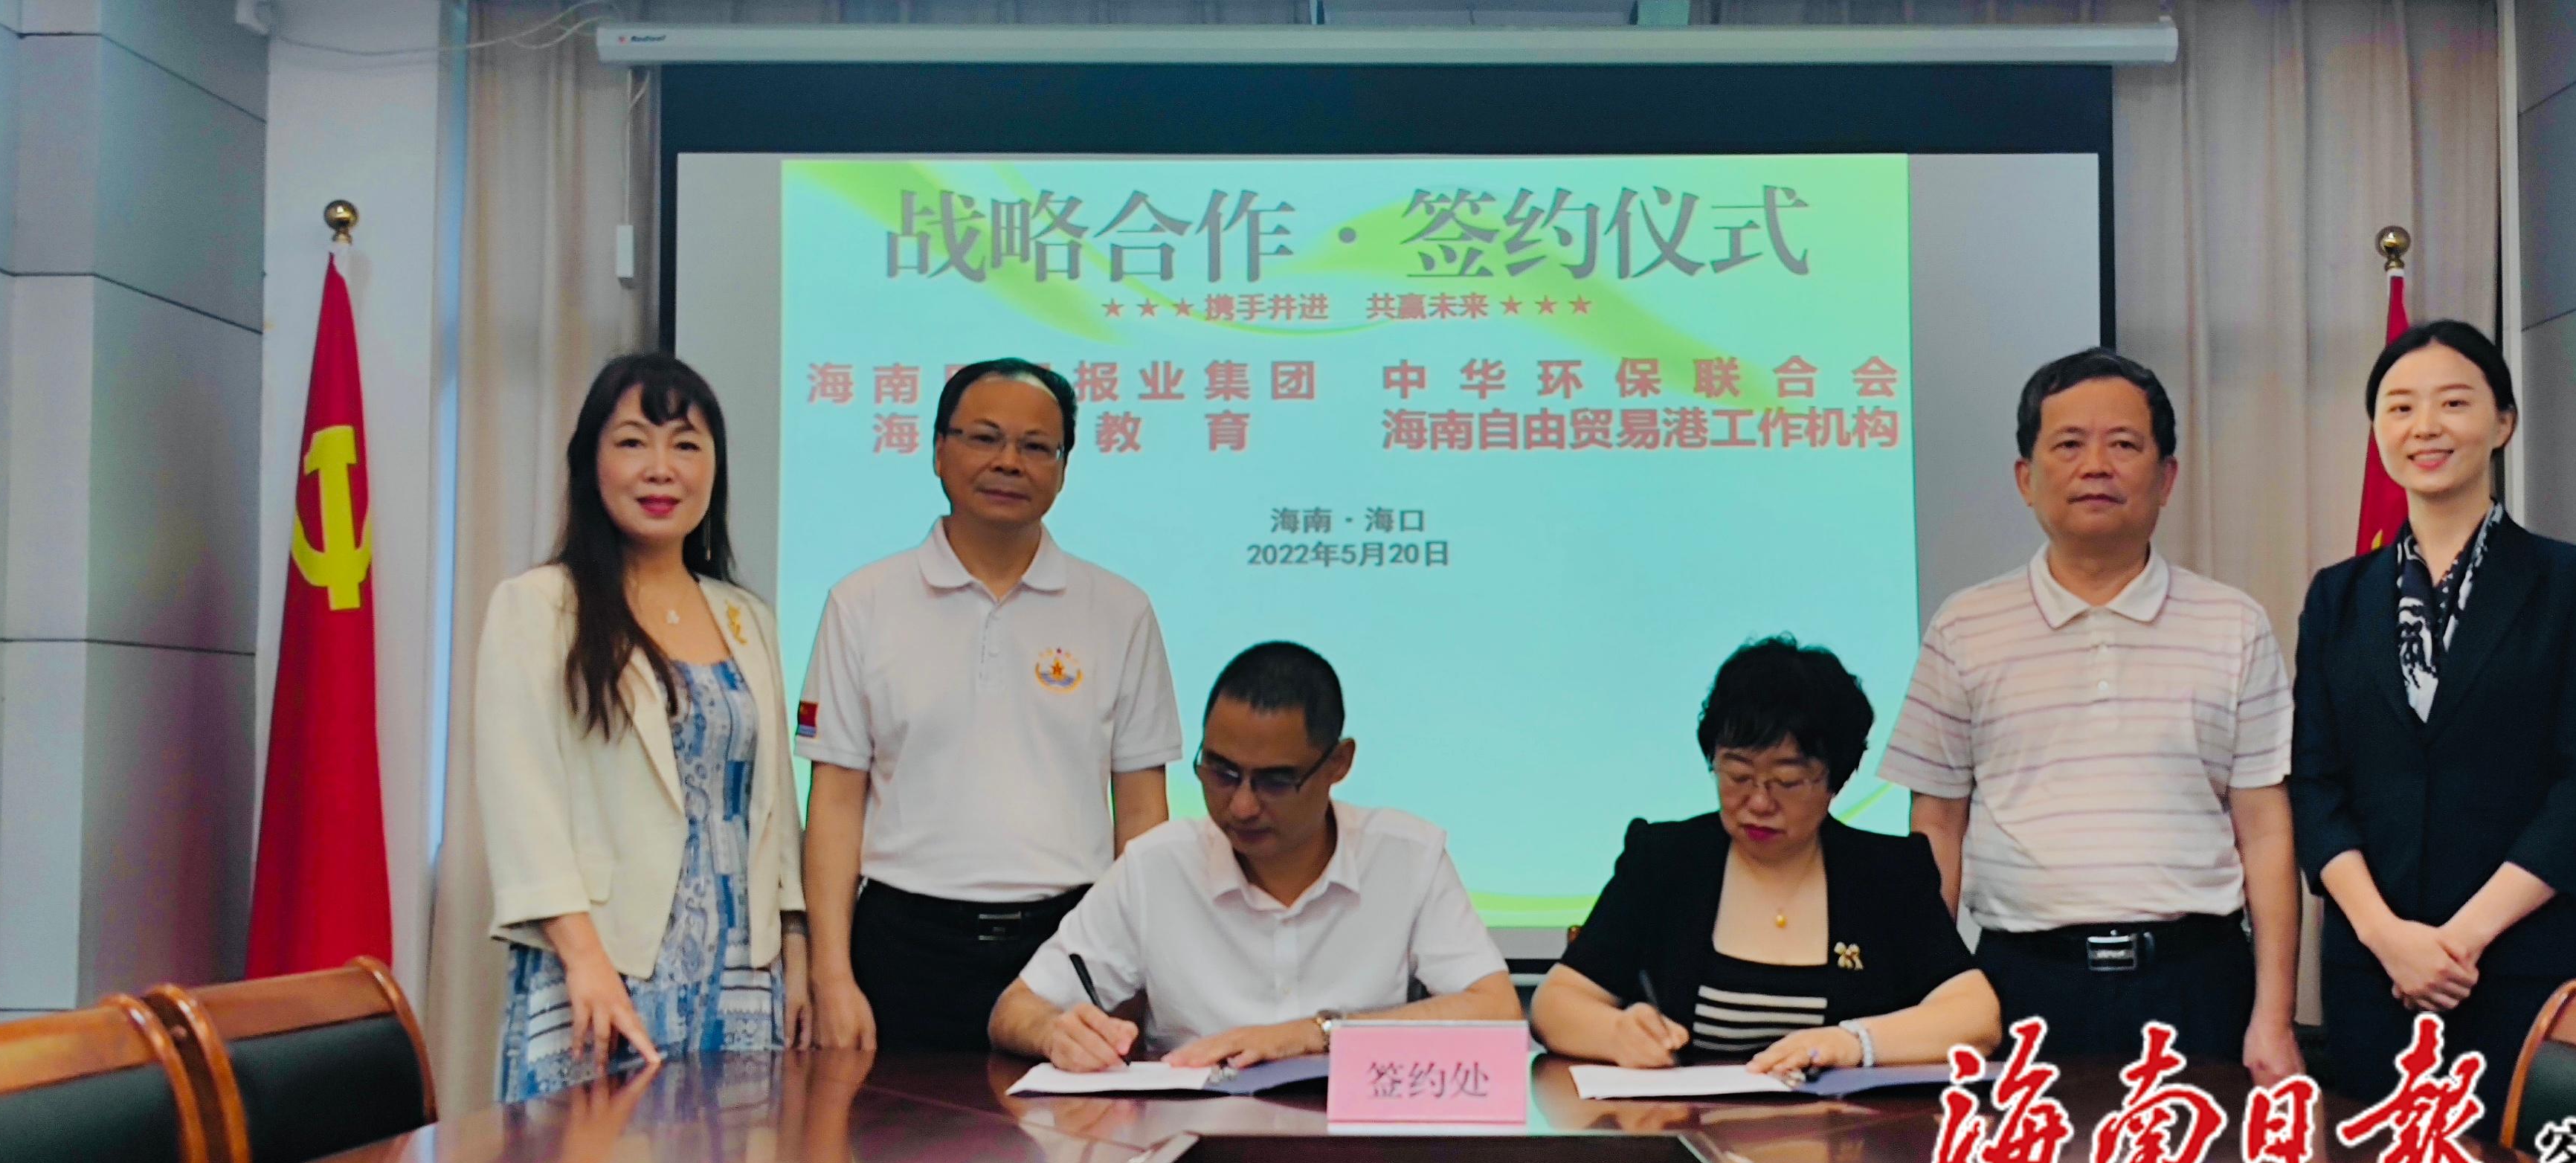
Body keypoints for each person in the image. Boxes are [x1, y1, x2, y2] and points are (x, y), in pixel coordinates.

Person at [1877, 349, 2305, 1085]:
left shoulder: (2233, 624)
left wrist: (2273, 1016)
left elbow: (2265, 830)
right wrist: (1925, 1008)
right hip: (2019, 985)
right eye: (2069, 445)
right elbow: (1937, 828)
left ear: (2166, 478)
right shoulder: (1966, 627)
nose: (2096, 467)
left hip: (2197, 984)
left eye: (2124, 445)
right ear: (2025, 478)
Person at [2293, 320, 2576, 1114]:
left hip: (2519, 973)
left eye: (2453, 403)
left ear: (2503, 421)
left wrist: (2457, 943)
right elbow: (2314, 784)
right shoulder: (2336, 597)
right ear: (2377, 430)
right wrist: (2388, 938)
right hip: (2374, 978)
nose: (2425, 427)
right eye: (2399, 407)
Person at [800, 358, 1182, 1053]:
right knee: (893, 1126)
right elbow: (834, 801)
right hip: (903, 946)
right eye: (984, 438)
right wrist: (832, 976)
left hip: (1068, 943)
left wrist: (1143, 964)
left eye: (1037, 447)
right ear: (938, 451)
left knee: (1074, 1125)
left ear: (1063, 469)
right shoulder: (863, 603)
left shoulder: (1120, 610)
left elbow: (1141, 812)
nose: (1009, 462)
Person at [481, 353, 805, 1102]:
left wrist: (794, 944)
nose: (661, 468)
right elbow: (521, 799)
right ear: (590, 462)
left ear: (715, 469)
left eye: (686, 445)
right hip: (602, 964)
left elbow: (774, 807)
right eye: (632, 442)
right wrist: (584, 959)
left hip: (741, 971)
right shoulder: (540, 606)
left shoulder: (747, 617)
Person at [991, 642, 1519, 1071]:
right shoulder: (1156, 867)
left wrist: (1315, 1034)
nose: (1241, 806)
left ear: (1339, 764)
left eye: (1275, 781)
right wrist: (1054, 1033)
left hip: (1359, 1146)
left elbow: (1497, 1010)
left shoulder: (1407, 857)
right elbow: (1016, 1008)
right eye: (1221, 773)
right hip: (1194, 1144)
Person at [1531, 637, 1999, 1075]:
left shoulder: (1886, 874)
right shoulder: (1666, 862)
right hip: (1688, 1128)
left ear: (1835, 780)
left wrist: (1854, 1043)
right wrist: (1616, 1033)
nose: (1758, 802)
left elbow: (1976, 1016)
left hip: (1852, 1132)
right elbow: (1555, 1004)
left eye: (1787, 782)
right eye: (1737, 775)